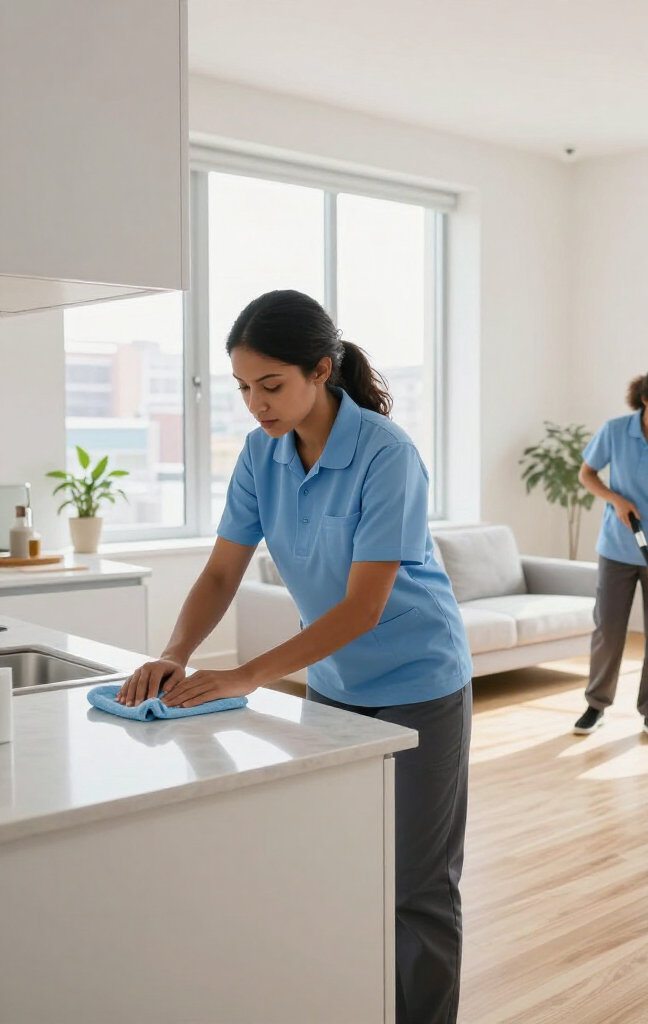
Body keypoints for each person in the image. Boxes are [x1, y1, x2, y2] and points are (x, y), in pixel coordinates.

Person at [116, 289, 472, 1024]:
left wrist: (245, 676)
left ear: (321, 370)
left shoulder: (385, 453)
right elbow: (221, 572)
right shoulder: (260, 454)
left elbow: (362, 606)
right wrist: (175, 653)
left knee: (417, 885)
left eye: (271, 386)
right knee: (338, 866)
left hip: (419, 681)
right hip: (335, 684)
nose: (256, 405)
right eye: (243, 388)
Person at [572, 367, 648, 742]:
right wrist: (617, 500)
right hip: (616, 547)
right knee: (608, 630)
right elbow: (586, 475)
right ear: (645, 400)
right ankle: (596, 705)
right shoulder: (614, 431)